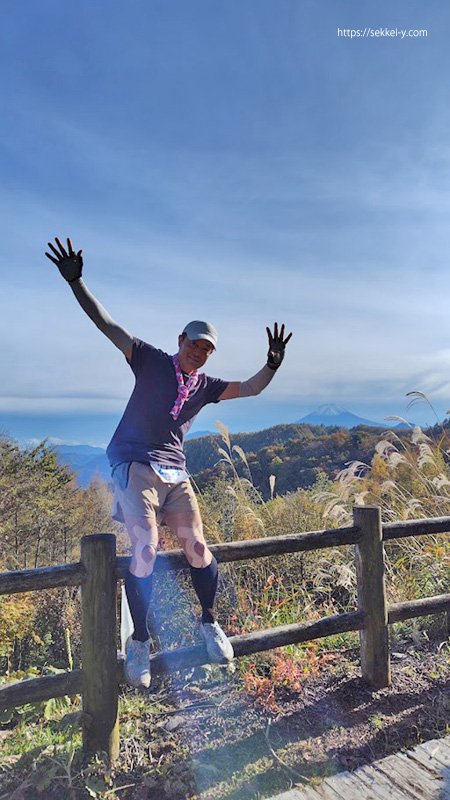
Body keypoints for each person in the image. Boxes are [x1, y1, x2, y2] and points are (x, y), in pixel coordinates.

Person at [45, 237, 292, 688]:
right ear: (180, 341)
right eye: (195, 344)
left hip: (176, 471)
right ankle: (139, 641)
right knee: (145, 549)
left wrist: (272, 364)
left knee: (198, 547)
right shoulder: (151, 361)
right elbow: (107, 324)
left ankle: (209, 622)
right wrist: (77, 282)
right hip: (135, 463)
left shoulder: (205, 384)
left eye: (207, 349)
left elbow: (252, 388)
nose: (200, 352)